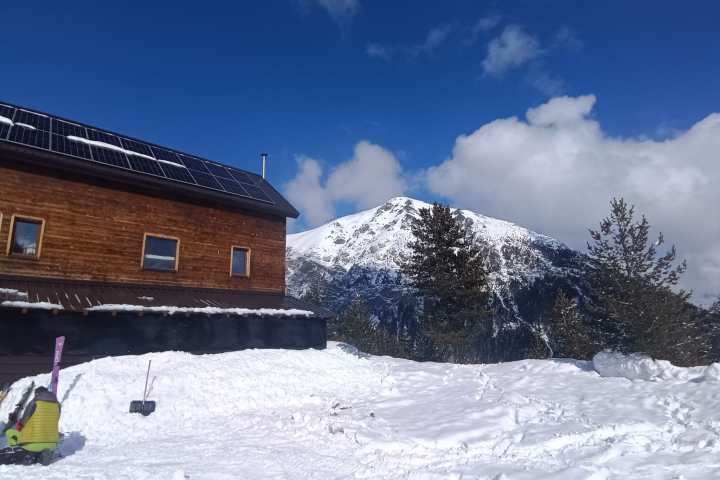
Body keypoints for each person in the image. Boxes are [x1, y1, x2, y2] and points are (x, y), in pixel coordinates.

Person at [0, 386, 61, 466]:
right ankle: (40, 456)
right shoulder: (58, 405)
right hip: (52, 443)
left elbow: (23, 422)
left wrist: (18, 427)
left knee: (10, 432)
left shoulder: (34, 402)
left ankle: (24, 454)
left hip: (31, 443)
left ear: (37, 394)